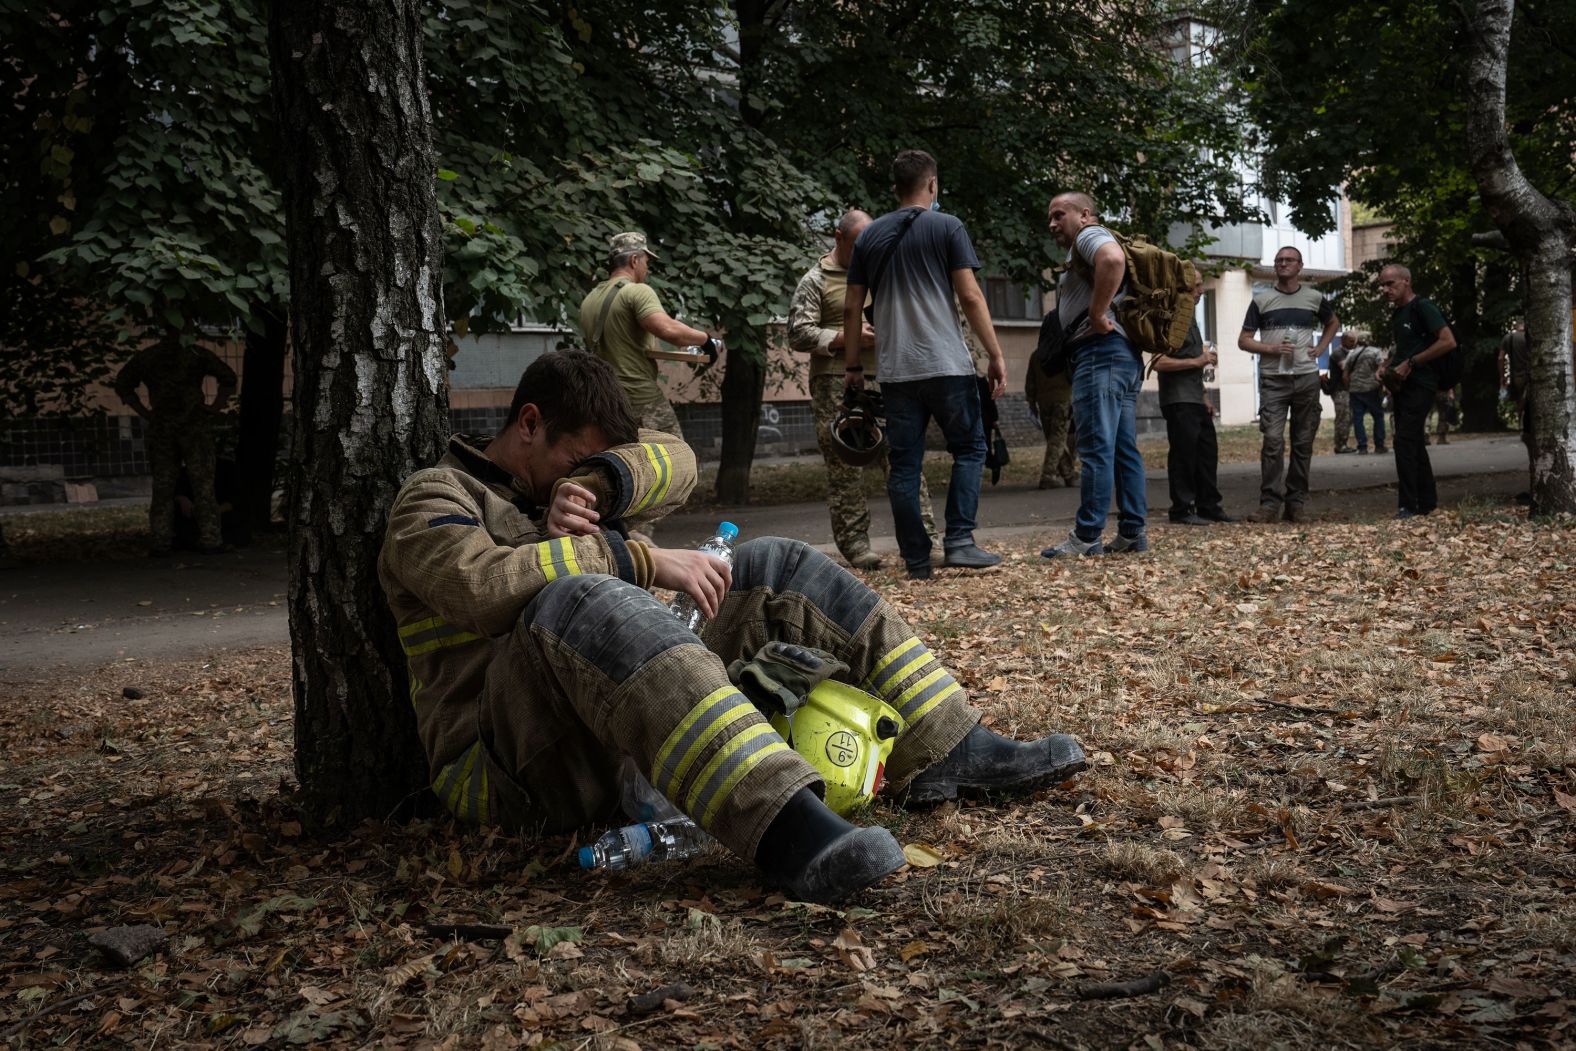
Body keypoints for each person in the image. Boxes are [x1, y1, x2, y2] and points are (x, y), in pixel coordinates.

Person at [377, 350, 1087, 904]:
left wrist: (588, 483)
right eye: (570, 457)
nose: (578, 477)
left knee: (774, 563)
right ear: (528, 423)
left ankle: (950, 745)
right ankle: (789, 829)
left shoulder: (575, 487)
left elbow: (675, 460)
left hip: (607, 723)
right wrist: (634, 554)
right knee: (580, 597)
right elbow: (479, 588)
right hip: (505, 768)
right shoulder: (434, 496)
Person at [841, 150, 1007, 580]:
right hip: (946, 363)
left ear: (896, 187)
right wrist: (996, 354)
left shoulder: (869, 237)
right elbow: (970, 296)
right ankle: (960, 543)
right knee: (970, 448)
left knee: (905, 465)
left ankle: (916, 559)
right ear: (932, 184)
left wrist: (855, 365)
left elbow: (853, 307)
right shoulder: (947, 226)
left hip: (896, 370)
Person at [787, 209, 938, 570]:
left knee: (903, 459)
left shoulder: (882, 272)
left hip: (889, 376)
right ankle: (857, 546)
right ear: (839, 238)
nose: (867, 249)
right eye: (859, 243)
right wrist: (842, 337)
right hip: (836, 382)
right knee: (845, 465)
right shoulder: (817, 279)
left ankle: (924, 541)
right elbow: (797, 332)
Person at [1039, 191, 1149, 557]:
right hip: (1120, 356)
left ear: (1084, 214)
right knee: (1121, 448)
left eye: (1059, 215)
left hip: (1101, 355)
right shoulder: (1086, 244)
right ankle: (1132, 533)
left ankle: (1086, 537)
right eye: (1050, 218)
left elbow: (1113, 259)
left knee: (1096, 448)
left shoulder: (1089, 236)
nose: (1053, 224)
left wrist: (1098, 314)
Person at [114, 327, 238, 556]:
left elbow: (123, 383)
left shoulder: (150, 357)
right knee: (202, 485)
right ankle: (210, 539)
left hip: (165, 427)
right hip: (192, 427)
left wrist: (145, 412)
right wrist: (214, 408)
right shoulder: (196, 354)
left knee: (164, 486)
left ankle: (162, 541)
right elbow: (228, 378)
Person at [1237, 246, 1338, 523]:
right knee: (1272, 441)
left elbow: (1333, 323)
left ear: (1299, 266)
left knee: (1303, 442)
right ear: (1275, 267)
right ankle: (1269, 504)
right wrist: (1271, 349)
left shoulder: (1314, 298)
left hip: (1306, 377)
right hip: (1273, 380)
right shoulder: (1262, 300)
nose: (1283, 264)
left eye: (1289, 260)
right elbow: (1243, 340)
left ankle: (1296, 503)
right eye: (1279, 260)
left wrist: (1321, 348)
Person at [579, 231, 713, 440]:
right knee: (676, 460)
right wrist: (706, 340)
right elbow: (668, 330)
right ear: (634, 260)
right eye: (647, 262)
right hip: (640, 398)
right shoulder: (636, 291)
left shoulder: (591, 298)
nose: (647, 269)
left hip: (606, 399)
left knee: (624, 462)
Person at [1376, 264, 1456, 519]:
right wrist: (1387, 365)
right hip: (1401, 386)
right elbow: (1403, 348)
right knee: (1413, 442)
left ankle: (1407, 505)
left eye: (1390, 284)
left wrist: (1412, 363)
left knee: (1404, 442)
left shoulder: (1423, 307)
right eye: (1382, 285)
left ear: (1406, 281)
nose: (1385, 289)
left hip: (1423, 383)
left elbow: (1448, 341)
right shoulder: (1398, 314)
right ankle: (1427, 503)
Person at [1153, 279, 1233, 525]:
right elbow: (1158, 362)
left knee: (1207, 452)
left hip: (1195, 398)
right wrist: (1198, 361)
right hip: (1178, 399)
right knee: (1184, 455)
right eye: (1195, 286)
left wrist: (1205, 396)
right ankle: (1181, 509)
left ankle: (1208, 505)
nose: (1200, 291)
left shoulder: (1191, 319)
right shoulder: (1169, 319)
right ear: (1180, 290)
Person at [1024, 341, 1077, 490]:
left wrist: (1032, 402)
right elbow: (1074, 375)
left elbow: (1030, 381)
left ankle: (1068, 474)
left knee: (1055, 439)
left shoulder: (1036, 355)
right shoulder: (1066, 352)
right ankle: (1048, 475)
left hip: (1044, 401)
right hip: (1064, 399)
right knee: (1058, 439)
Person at [1342, 329, 1386, 454]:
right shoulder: (1376, 352)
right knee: (1378, 416)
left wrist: (1349, 388)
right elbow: (1381, 370)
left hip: (1355, 390)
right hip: (1372, 388)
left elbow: (1345, 376)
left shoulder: (1351, 354)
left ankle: (1362, 447)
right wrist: (1382, 386)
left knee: (1358, 418)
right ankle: (1379, 446)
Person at [1327, 334, 1354, 453]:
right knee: (1343, 417)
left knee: (1348, 417)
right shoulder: (1338, 353)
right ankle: (1340, 445)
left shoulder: (1349, 352)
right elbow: (1344, 366)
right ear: (1343, 340)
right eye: (1351, 341)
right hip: (1339, 390)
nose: (1353, 343)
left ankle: (1342, 444)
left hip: (1346, 389)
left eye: (1354, 341)